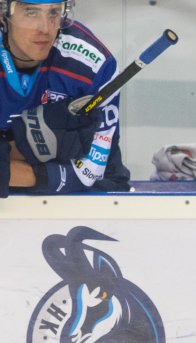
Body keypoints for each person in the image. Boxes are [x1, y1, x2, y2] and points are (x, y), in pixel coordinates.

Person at [0, 0, 129, 198]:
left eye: (54, 12)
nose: (45, 29)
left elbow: (98, 175)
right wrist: (28, 149)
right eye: (31, 12)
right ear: (3, 13)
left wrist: (15, 163)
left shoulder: (91, 64)